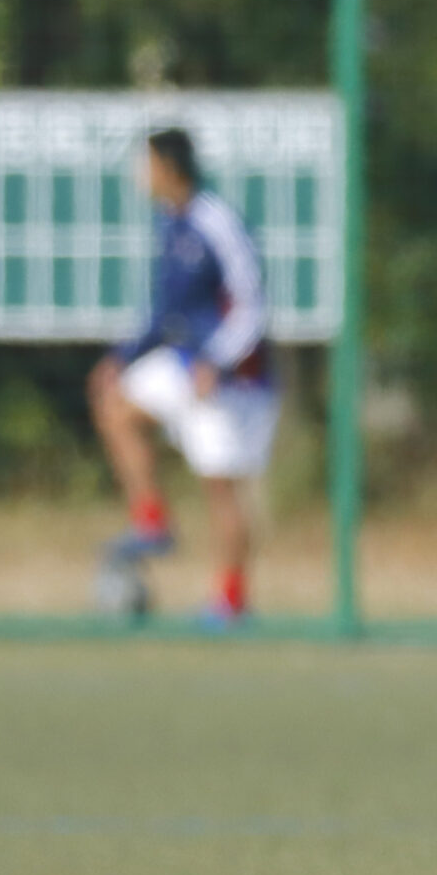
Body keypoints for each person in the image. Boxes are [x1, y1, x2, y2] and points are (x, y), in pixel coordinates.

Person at [89, 127, 278, 625]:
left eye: (144, 162)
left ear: (168, 167)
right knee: (115, 404)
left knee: (222, 489)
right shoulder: (168, 225)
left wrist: (218, 362)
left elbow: (252, 305)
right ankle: (152, 519)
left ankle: (232, 601)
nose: (138, 173)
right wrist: (122, 356)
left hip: (231, 378)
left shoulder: (215, 221)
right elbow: (165, 310)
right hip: (183, 364)